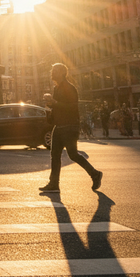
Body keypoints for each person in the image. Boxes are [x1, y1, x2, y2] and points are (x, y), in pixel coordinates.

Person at [39, 63, 103, 194]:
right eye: (52, 70)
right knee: (54, 155)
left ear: (62, 73)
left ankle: (95, 174)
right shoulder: (56, 88)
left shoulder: (69, 87)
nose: (52, 72)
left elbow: (73, 107)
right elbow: (57, 107)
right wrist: (49, 107)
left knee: (73, 154)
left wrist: (55, 103)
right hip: (59, 125)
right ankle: (53, 184)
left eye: (55, 70)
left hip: (70, 126)